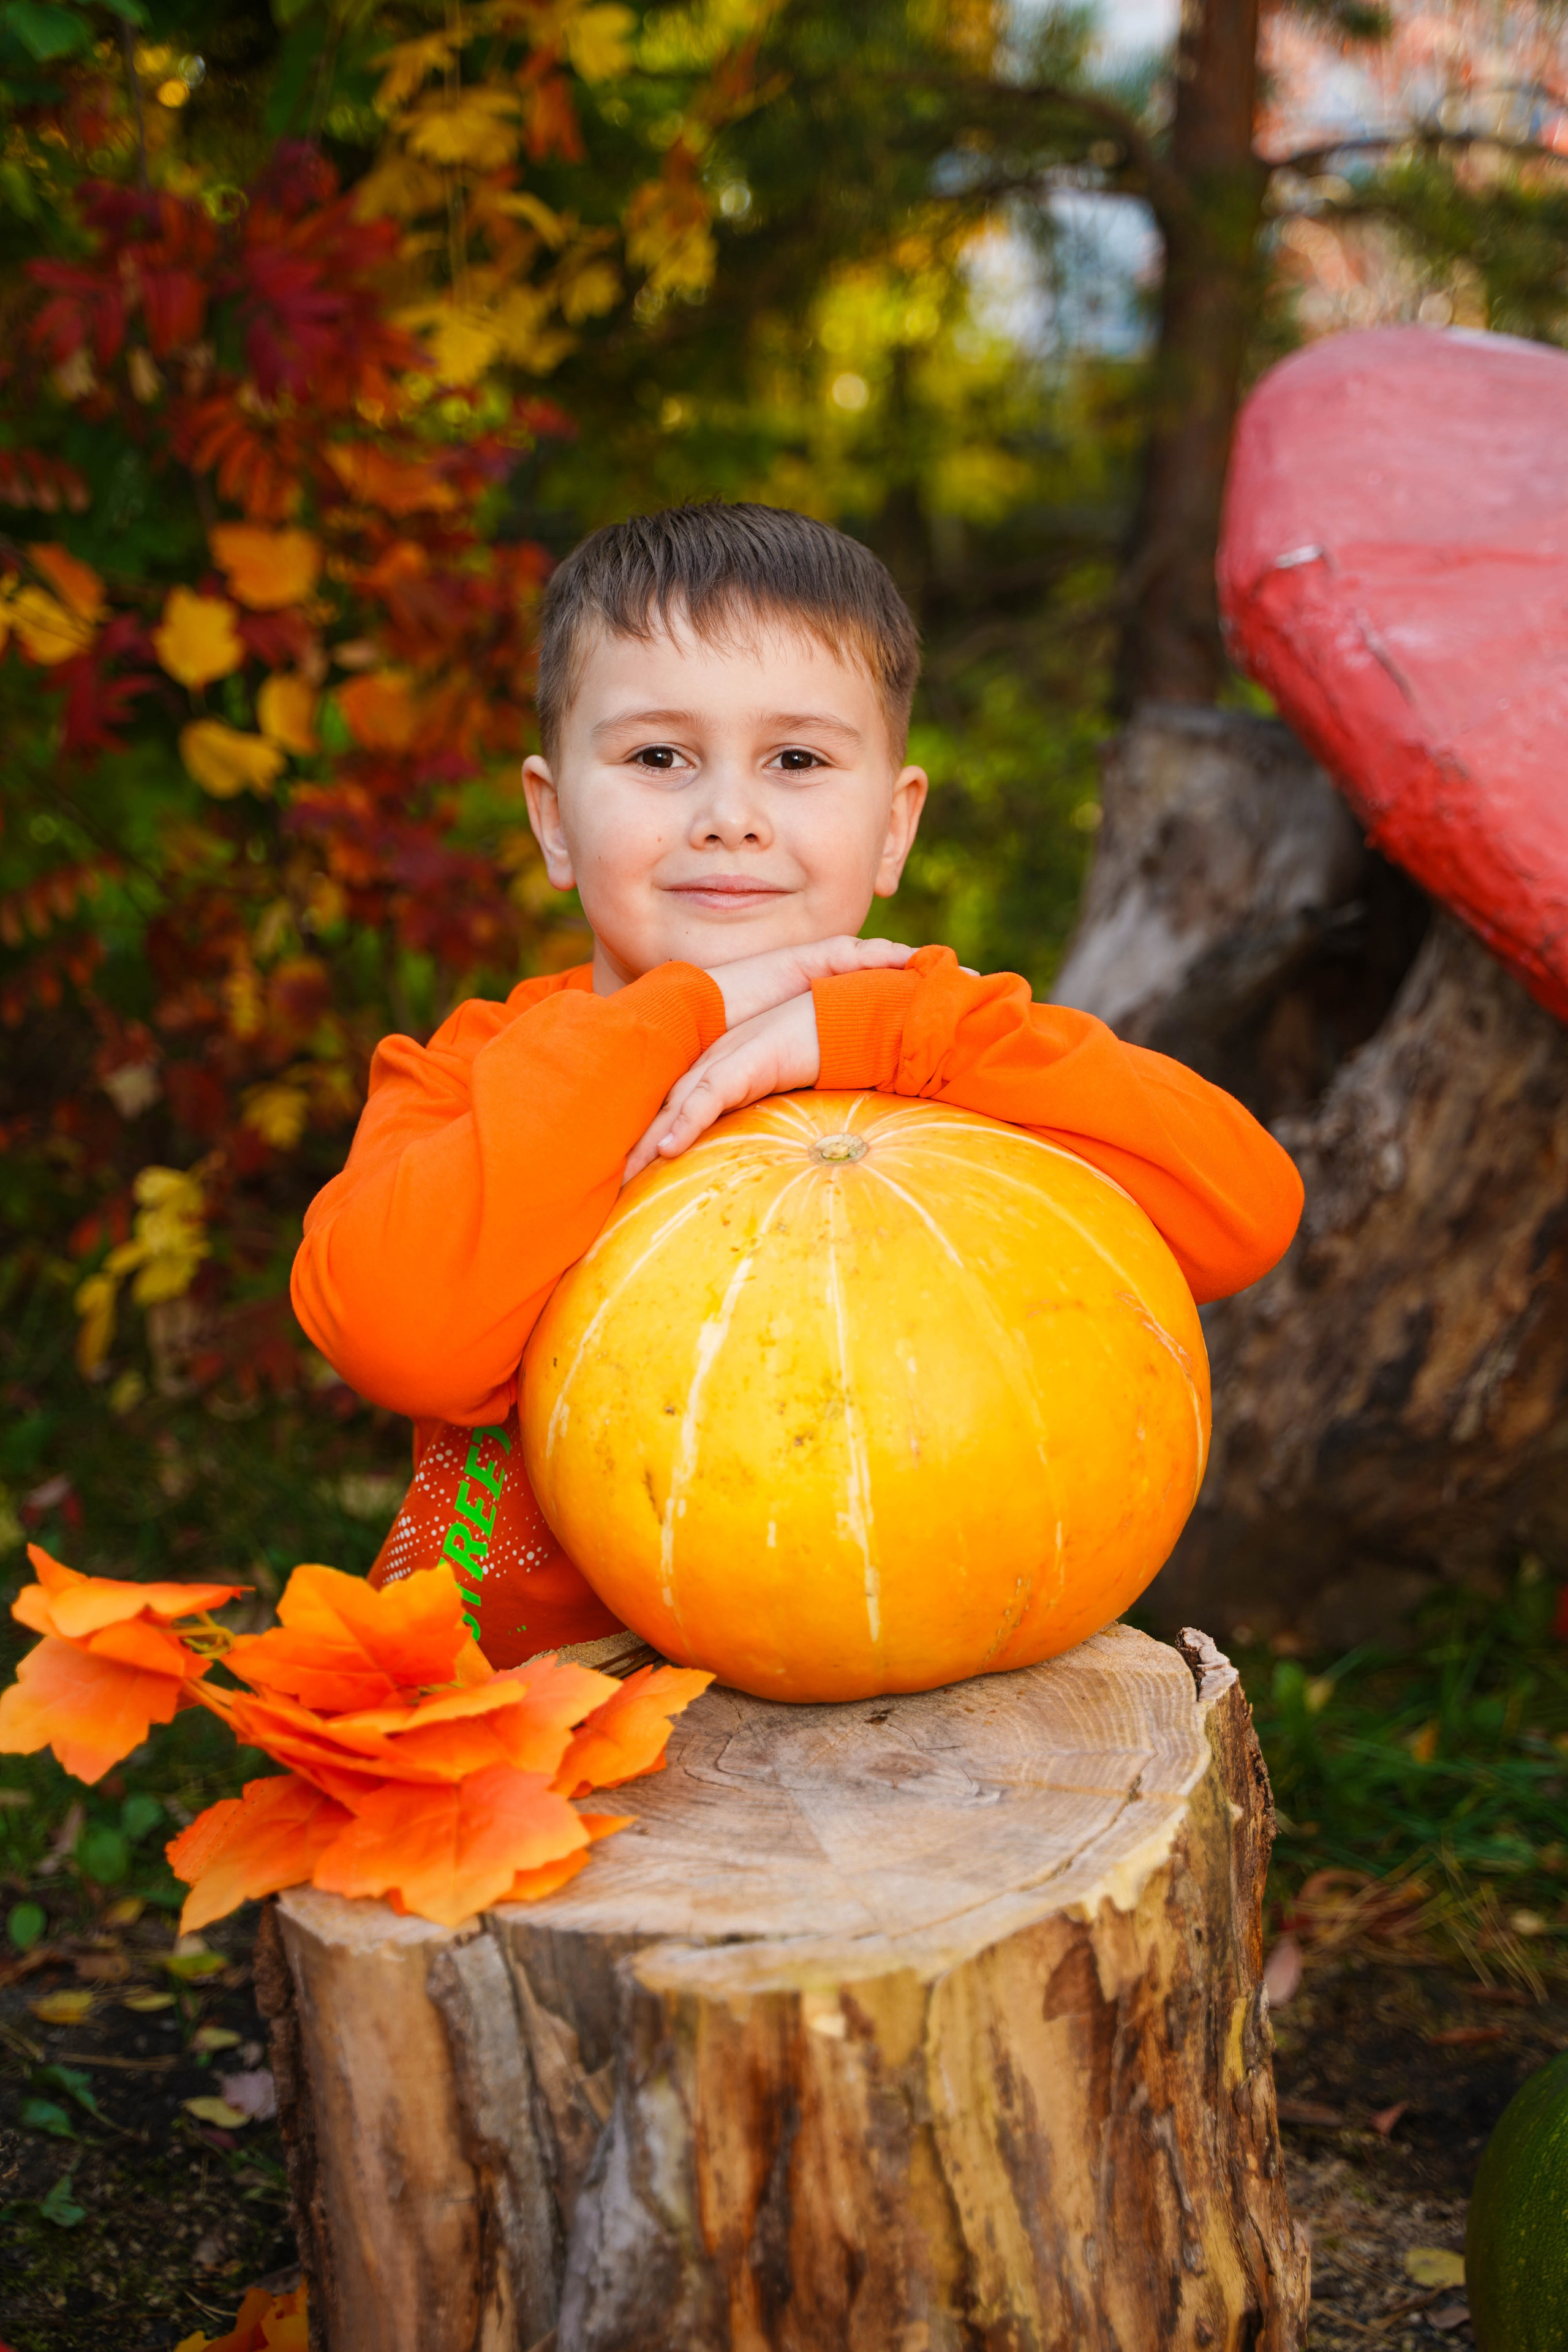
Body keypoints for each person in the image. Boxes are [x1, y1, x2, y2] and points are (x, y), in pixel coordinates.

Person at [291, 502, 1303, 1665]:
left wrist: (879, 1029)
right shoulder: (475, 1074)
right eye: (659, 757)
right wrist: (696, 1012)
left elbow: (1245, 1209)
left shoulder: (938, 1053)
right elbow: (400, 1336)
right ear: (554, 818)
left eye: (799, 760)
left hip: (888, 1691)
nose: (730, 817)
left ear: (893, 828)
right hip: (506, 1735)